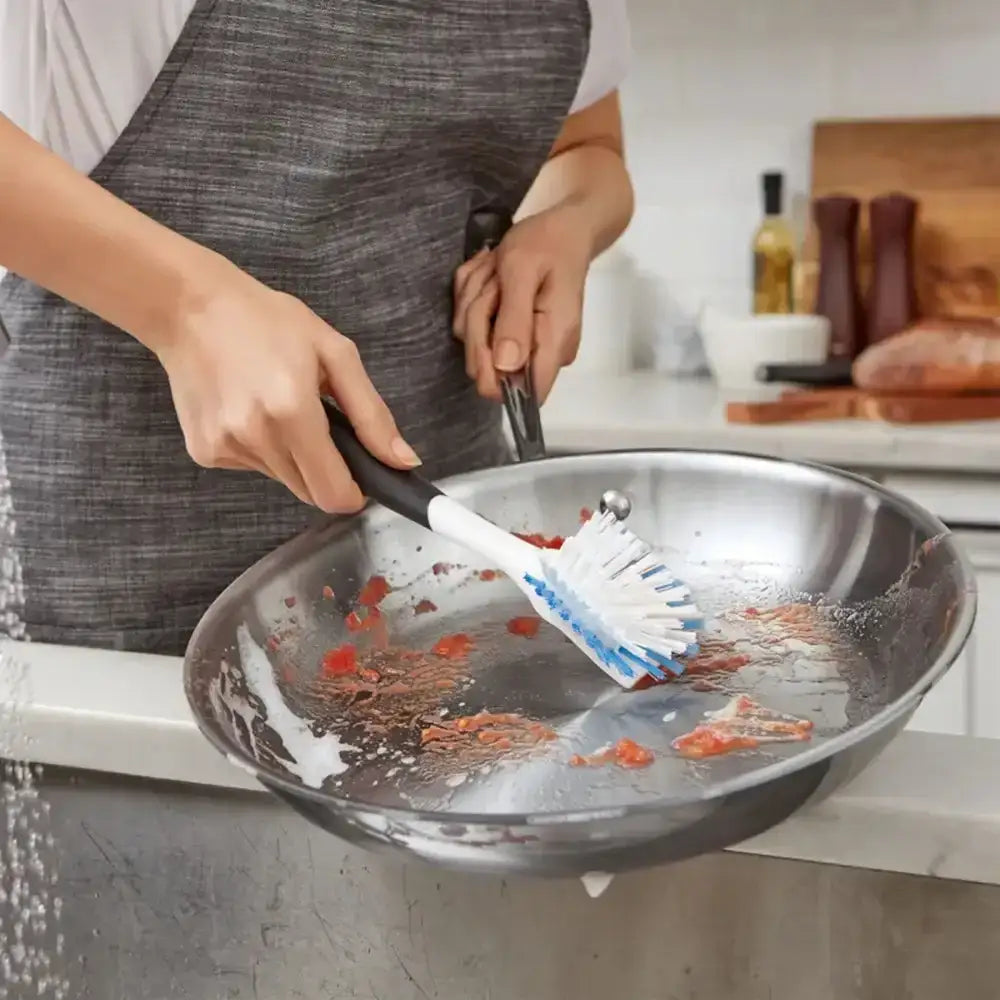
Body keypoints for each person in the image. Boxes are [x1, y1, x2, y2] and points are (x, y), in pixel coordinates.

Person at [0, 0, 634, 655]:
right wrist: (184, 305)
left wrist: (568, 223)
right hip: (115, 587)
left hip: (456, 572)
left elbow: (589, 149)